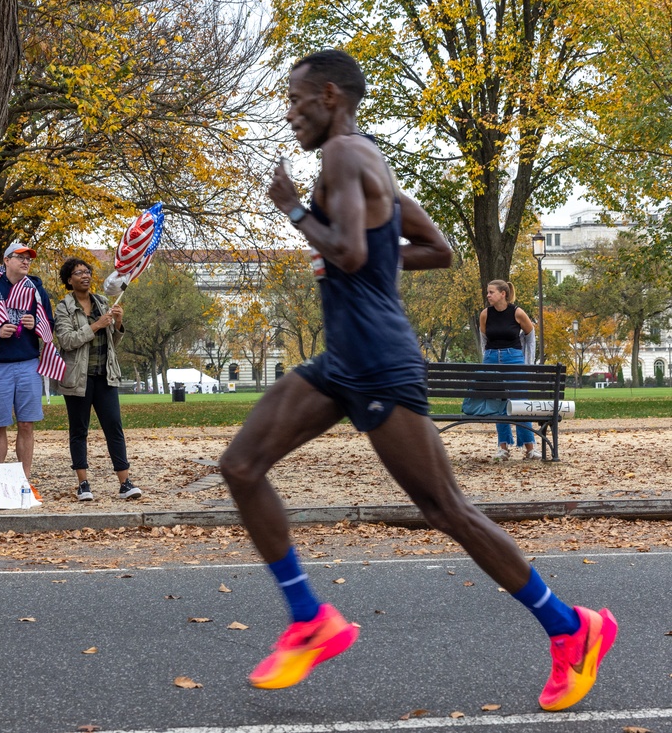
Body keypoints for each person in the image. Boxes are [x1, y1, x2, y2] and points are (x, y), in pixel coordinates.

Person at [219, 49, 616, 711]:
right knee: (241, 464)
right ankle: (309, 618)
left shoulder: (344, 156)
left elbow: (344, 248)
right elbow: (437, 249)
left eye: (295, 100)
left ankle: (572, 627)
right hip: (342, 360)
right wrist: (370, 259)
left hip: (377, 360)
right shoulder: (368, 161)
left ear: (328, 94)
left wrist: (293, 210)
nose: (288, 114)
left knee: (445, 509)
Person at [53, 257, 142, 501]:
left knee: (114, 427)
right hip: (78, 379)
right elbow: (67, 341)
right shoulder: (64, 307)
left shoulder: (103, 302)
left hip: (105, 376)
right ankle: (83, 484)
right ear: (69, 280)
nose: (85, 276)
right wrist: (95, 326)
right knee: (79, 431)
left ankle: (125, 483)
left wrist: (118, 323)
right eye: (78, 272)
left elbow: (112, 343)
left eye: (87, 272)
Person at [0, 242, 53, 479]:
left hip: (29, 364)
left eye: (29, 259)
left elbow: (50, 325)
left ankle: (23, 480)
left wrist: (36, 325)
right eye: (20, 257)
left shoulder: (36, 290)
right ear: (6, 261)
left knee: (26, 424)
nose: (26, 262)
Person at [480, 280, 537, 459]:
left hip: (513, 357)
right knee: (498, 403)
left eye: (491, 292)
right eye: (488, 292)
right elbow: (483, 338)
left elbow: (530, 336)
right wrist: (486, 359)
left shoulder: (517, 312)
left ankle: (530, 448)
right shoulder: (485, 314)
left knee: (520, 402)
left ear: (503, 294)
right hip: (491, 358)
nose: (488, 295)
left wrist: (528, 362)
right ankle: (503, 447)